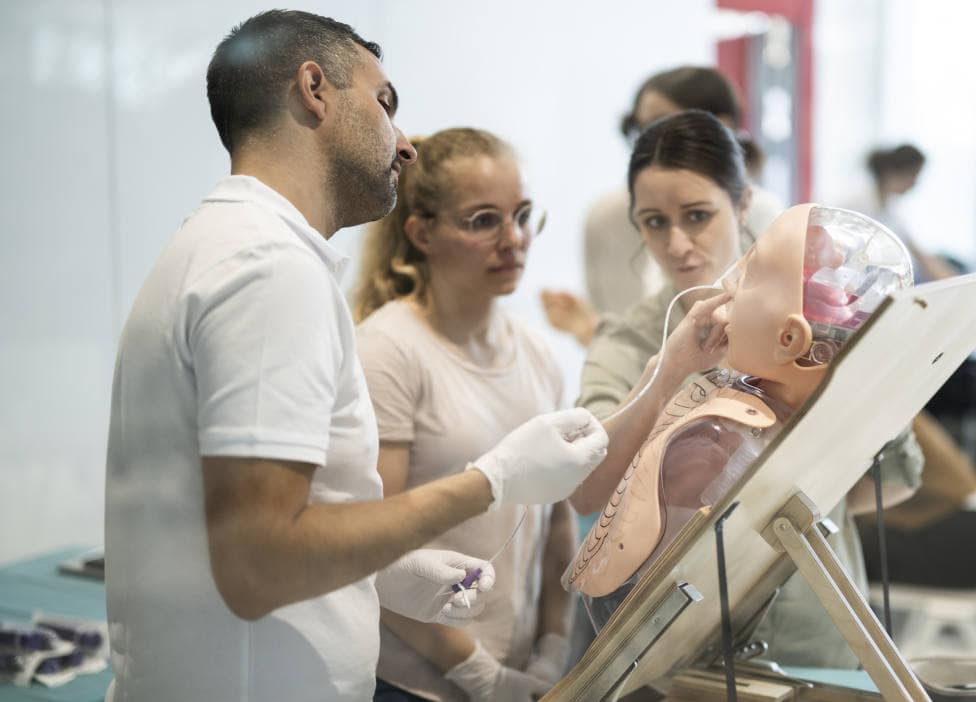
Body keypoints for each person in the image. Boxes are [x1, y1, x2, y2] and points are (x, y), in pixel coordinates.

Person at [103, 11, 606, 702]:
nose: (404, 144)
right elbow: (256, 563)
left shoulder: (232, 246)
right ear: (314, 89)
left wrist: (379, 573)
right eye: (385, 103)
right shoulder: (268, 268)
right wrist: (491, 480)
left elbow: (239, 527)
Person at [568, 110, 923, 668]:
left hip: (815, 628)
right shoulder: (631, 340)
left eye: (697, 216)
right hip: (683, 651)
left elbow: (897, 478)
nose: (678, 244)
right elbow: (587, 492)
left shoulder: (822, 327)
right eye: (654, 223)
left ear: (741, 204)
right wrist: (667, 375)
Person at [351, 128, 573, 701]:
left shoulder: (538, 354)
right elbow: (371, 549)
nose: (514, 239)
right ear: (421, 233)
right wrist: (477, 674)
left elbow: (556, 523)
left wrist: (552, 647)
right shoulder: (388, 351)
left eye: (522, 215)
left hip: (519, 673)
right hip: (410, 684)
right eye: (483, 221)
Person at [540, 66, 785, 345]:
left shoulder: (767, 217)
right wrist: (589, 330)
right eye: (654, 221)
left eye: (697, 215)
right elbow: (617, 342)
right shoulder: (605, 217)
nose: (652, 142)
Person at [846, 143, 956, 283]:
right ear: (892, 172)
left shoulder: (892, 208)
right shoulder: (856, 204)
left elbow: (918, 252)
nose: (914, 183)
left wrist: (954, 282)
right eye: (912, 176)